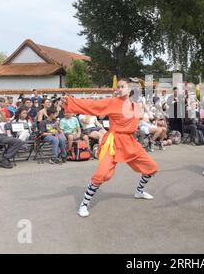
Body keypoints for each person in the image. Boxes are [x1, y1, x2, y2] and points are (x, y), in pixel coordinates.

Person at [63, 80, 159, 218]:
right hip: (113, 142)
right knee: (101, 174)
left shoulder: (135, 106)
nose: (119, 89)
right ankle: (84, 204)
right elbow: (93, 105)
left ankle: (139, 191)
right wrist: (70, 102)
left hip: (130, 142)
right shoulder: (113, 102)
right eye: (118, 87)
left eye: (122, 86)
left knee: (151, 167)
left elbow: (144, 119)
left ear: (130, 89)